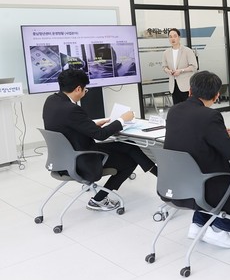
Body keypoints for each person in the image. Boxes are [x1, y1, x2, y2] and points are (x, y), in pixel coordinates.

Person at [164, 71, 230, 249]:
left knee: (201, 173)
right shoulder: (210, 116)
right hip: (205, 187)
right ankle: (220, 229)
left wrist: (218, 133)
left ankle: (198, 224)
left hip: (178, 184)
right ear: (216, 96)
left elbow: (192, 134)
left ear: (190, 91)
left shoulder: (174, 111)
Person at [42, 69, 157, 211]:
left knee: (129, 146)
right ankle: (98, 199)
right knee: (130, 160)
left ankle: (160, 174)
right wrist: (122, 120)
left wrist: (90, 125)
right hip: (81, 159)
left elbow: (67, 125)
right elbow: (101, 135)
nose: (85, 93)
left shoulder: (52, 101)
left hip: (65, 156)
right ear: (78, 89)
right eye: (85, 90)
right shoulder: (71, 109)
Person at [162, 28, 198, 104]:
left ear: (179, 37)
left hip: (186, 86)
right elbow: (164, 67)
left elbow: (194, 66)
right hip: (173, 86)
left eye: (175, 36)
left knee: (188, 108)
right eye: (170, 37)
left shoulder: (187, 51)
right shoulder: (166, 53)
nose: (173, 39)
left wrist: (181, 71)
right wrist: (168, 71)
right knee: (177, 108)